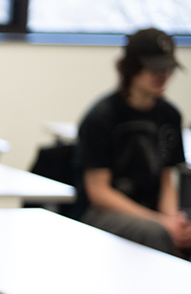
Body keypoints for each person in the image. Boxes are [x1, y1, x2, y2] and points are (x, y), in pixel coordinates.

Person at [74, 28, 190, 258]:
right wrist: (161, 222)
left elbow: (167, 180)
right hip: (104, 212)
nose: (163, 75)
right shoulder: (102, 117)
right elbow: (99, 192)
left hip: (152, 213)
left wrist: (172, 221)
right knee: (155, 233)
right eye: (155, 69)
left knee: (180, 231)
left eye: (168, 68)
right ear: (130, 68)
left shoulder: (170, 115)